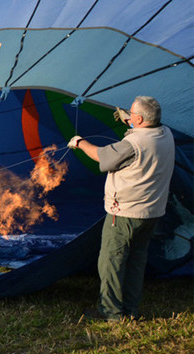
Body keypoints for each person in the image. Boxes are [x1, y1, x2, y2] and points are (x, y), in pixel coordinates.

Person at [68, 96, 175, 322]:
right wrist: (132, 122)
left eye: (131, 112)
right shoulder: (166, 133)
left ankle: (111, 313)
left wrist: (79, 142)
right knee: (136, 260)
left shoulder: (133, 145)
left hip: (125, 214)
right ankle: (130, 309)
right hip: (152, 212)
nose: (127, 114)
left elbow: (102, 157)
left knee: (111, 262)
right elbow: (145, 132)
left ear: (139, 118)